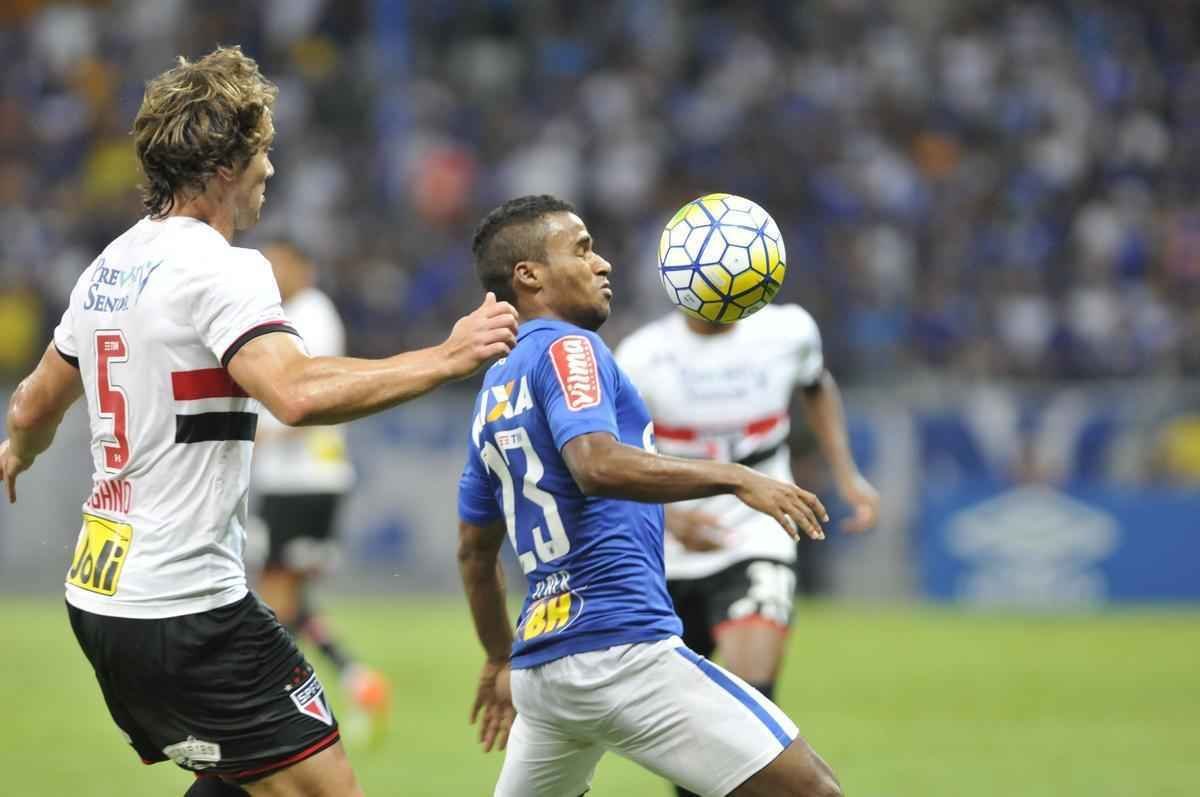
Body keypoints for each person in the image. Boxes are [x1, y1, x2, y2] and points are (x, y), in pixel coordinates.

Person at [0, 47, 518, 797]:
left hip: (100, 603)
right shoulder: (225, 267)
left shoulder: (108, 266)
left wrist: (17, 448)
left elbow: (30, 406)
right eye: (262, 151)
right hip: (187, 606)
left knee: (244, 775)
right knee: (324, 787)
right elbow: (296, 392)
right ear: (223, 168)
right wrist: (446, 357)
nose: (270, 170)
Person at [457, 194, 843, 797]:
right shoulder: (570, 349)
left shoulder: (494, 391)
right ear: (527, 275)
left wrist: (499, 656)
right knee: (812, 790)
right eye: (582, 249)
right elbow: (597, 464)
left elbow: (474, 555)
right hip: (619, 647)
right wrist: (737, 477)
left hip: (544, 669)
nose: (602, 263)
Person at [615, 306, 880, 797]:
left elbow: (816, 386)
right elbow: (613, 457)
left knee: (746, 698)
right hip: (667, 545)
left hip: (760, 529)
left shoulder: (789, 330)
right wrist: (669, 516)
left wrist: (847, 474)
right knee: (690, 718)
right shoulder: (640, 356)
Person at [252, 239, 390, 744]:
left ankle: (285, 704)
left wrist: (264, 435)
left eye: (278, 263)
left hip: (304, 479)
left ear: (302, 267)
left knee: (275, 597)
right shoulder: (298, 312)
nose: (270, 272)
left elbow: (310, 397)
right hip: (297, 480)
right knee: (285, 597)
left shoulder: (310, 315)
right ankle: (355, 680)